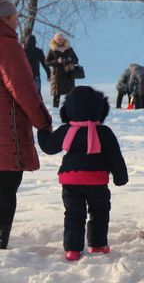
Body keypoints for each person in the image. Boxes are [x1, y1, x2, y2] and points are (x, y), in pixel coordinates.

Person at [37, 86, 128, 261]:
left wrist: (43, 131)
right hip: (97, 180)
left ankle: (73, 249)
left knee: (74, 214)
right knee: (99, 213)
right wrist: (120, 176)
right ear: (100, 108)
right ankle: (98, 244)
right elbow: (114, 156)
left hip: (71, 180)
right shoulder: (104, 132)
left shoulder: (66, 130)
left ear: (68, 110)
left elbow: (49, 147)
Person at [0, 0, 53, 249]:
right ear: (5, 19)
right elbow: (23, 90)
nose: (17, 21)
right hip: (6, 133)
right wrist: (43, 122)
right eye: (14, 17)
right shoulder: (8, 46)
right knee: (5, 188)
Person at [47, 33, 79, 108]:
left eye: (61, 39)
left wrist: (70, 59)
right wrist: (57, 61)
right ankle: (55, 109)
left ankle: (69, 109)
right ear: (55, 40)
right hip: (57, 75)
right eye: (58, 39)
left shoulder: (69, 49)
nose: (60, 41)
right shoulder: (52, 49)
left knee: (70, 94)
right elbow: (47, 62)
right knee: (57, 94)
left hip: (68, 74)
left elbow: (76, 60)